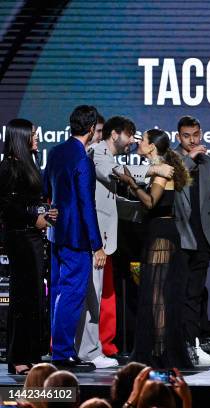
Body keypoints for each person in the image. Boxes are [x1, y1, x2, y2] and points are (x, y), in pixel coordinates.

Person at [77, 115, 174, 369]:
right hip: (92, 235)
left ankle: (89, 349)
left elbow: (110, 200)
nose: (132, 141)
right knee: (92, 295)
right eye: (130, 135)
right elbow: (117, 174)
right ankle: (90, 351)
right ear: (115, 134)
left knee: (94, 295)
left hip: (101, 235)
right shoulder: (98, 152)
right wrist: (154, 169)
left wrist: (139, 211)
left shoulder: (107, 155)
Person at [114, 129, 192, 368]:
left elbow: (150, 202)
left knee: (157, 295)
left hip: (161, 236)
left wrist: (130, 183)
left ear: (152, 147)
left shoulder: (161, 174)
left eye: (143, 140)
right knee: (157, 293)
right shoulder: (157, 169)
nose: (139, 142)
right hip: (157, 234)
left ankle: (160, 349)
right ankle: (159, 347)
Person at [43, 105, 105, 372]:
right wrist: (97, 245)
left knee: (58, 292)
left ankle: (59, 350)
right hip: (77, 237)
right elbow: (86, 205)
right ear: (91, 129)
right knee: (72, 294)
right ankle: (62, 354)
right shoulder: (82, 159)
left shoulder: (56, 152)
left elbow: (46, 189)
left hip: (55, 233)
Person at [0, 119, 57, 375]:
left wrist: (46, 213)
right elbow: (7, 206)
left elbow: (30, 200)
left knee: (35, 298)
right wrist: (33, 218)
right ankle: (18, 357)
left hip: (32, 238)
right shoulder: (8, 167)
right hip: (20, 238)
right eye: (33, 134)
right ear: (20, 137)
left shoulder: (29, 164)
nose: (37, 138)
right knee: (23, 298)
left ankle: (32, 353)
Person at [174, 115, 210, 365]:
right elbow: (171, 185)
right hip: (179, 238)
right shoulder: (170, 160)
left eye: (195, 135)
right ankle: (179, 348)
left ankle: (194, 347)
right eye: (186, 136)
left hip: (202, 238)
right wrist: (187, 160)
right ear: (178, 137)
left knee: (195, 294)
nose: (192, 140)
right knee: (178, 295)